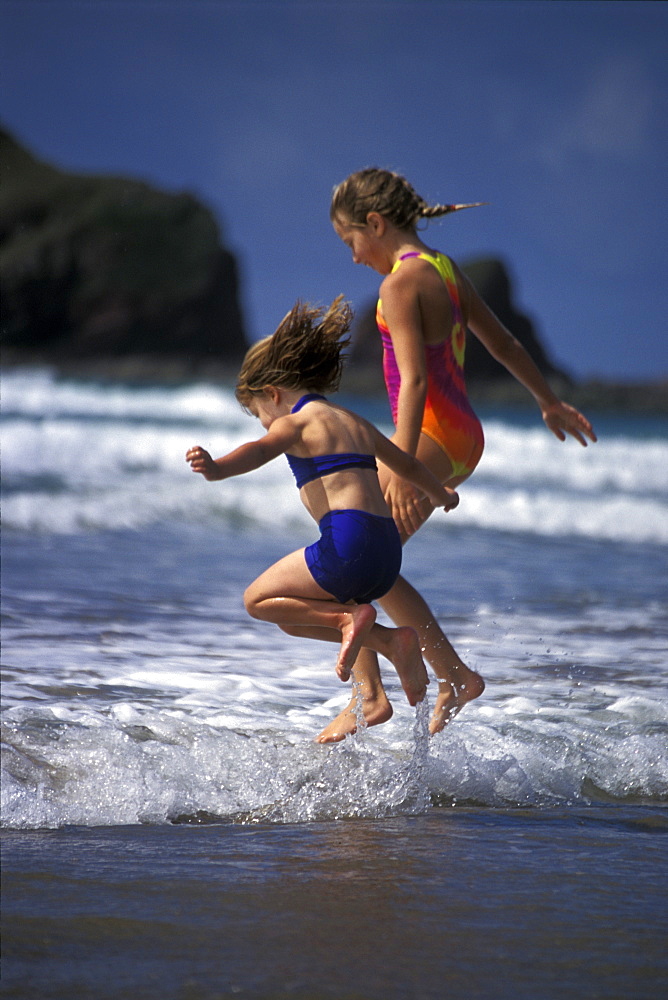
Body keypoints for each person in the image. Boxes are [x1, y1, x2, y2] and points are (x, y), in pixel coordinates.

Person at [320, 166, 597, 744]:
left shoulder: (399, 285)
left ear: (374, 223)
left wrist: (400, 460)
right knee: (369, 563)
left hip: (430, 437)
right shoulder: (446, 271)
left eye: (351, 242)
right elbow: (505, 344)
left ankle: (370, 697)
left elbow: (414, 381)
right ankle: (453, 676)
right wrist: (547, 401)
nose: (352, 257)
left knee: (353, 559)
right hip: (462, 434)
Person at [186, 295, 460, 707]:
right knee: (292, 618)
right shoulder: (354, 420)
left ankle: (354, 621)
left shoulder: (296, 423)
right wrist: (441, 494)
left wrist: (217, 467)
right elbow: (406, 464)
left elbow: (259, 450)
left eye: (259, 412)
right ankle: (391, 642)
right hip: (386, 554)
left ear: (272, 394)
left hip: (347, 543)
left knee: (258, 601)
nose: (264, 422)